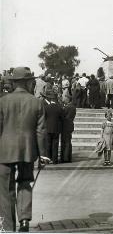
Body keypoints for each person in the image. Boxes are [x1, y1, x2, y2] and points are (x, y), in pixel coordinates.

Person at [0, 67, 50, 232]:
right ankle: (24, 221)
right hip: (28, 151)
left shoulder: (2, 101)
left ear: (14, 83)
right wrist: (43, 154)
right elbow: (41, 131)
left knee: (5, 190)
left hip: (4, 151)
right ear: (29, 82)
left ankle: (8, 227)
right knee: (24, 183)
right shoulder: (37, 102)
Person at [43, 90, 63, 164]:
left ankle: (48, 159)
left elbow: (44, 117)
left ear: (50, 100)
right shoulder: (59, 107)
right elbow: (62, 118)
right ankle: (55, 160)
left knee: (48, 144)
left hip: (48, 128)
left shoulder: (46, 107)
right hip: (56, 128)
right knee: (55, 144)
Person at [60, 94, 76, 163]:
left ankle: (65, 158)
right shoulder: (72, 107)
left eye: (64, 98)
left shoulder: (68, 107)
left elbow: (63, 115)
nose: (63, 99)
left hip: (65, 126)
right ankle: (68, 157)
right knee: (68, 141)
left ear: (67, 99)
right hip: (70, 125)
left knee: (65, 142)